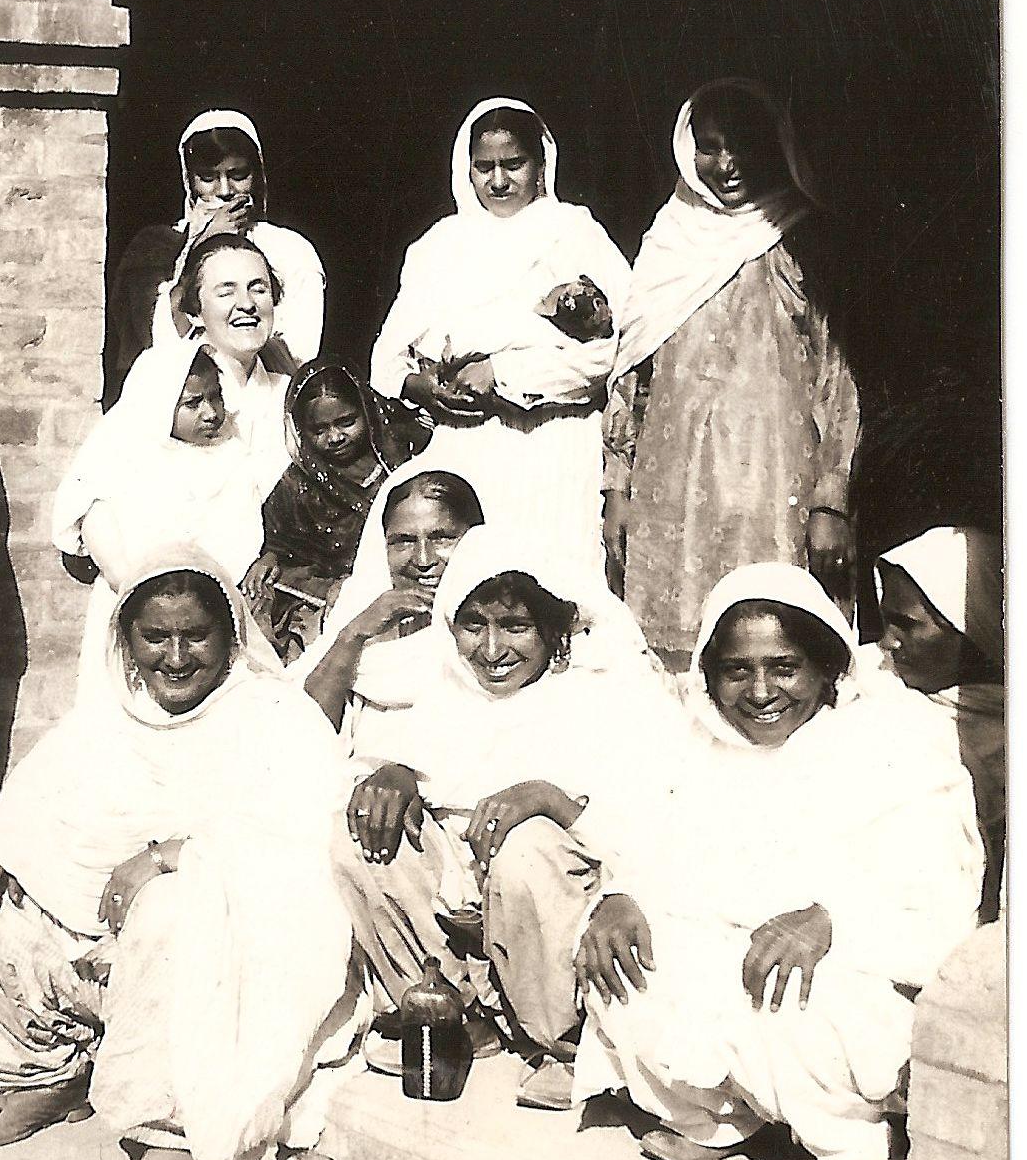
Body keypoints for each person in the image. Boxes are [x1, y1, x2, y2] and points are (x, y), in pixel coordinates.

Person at [0, 554, 363, 1160]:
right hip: (96, 939)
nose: (176, 657)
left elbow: (305, 840)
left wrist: (170, 855)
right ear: (127, 639)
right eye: (156, 637)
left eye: (195, 636)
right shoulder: (105, 721)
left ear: (230, 637)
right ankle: (41, 1072)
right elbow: (26, 808)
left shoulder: (274, 717)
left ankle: (172, 1129)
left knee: (177, 908)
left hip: (210, 941)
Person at [573, 564, 981, 1160]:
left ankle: (857, 1157)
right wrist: (618, 895)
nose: (760, 693)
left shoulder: (897, 738)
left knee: (798, 1002)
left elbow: (942, 888)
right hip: (724, 946)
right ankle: (727, 1118)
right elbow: (638, 843)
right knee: (621, 963)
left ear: (827, 666)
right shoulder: (693, 739)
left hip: (851, 964)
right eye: (737, 670)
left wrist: (831, 919)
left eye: (784, 667)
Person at [334, 531, 673, 1109]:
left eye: (515, 626)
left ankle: (568, 1042)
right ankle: (451, 1014)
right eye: (474, 625)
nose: (492, 650)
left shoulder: (604, 698)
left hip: (553, 928)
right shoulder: (442, 694)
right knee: (362, 827)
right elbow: (390, 763)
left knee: (527, 846)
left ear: (553, 629)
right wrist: (396, 773)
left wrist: (549, 801)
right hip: (463, 919)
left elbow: (649, 823)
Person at [603, 79, 860, 665]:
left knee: (776, 642)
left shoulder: (802, 236)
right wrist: (617, 488)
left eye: (743, 143)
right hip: (672, 494)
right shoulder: (669, 241)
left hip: (775, 493)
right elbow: (631, 378)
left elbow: (838, 379)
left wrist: (830, 502)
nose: (727, 163)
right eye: (711, 146)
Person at [370, 98, 631, 577]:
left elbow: (612, 354)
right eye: (484, 167)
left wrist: (503, 373)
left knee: (554, 580)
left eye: (514, 165)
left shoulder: (574, 232)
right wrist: (419, 387)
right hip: (465, 442)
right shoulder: (439, 245)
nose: (498, 181)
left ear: (541, 165)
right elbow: (386, 357)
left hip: (554, 442)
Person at [52, 339, 270, 699]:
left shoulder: (232, 451)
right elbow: (110, 554)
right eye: (193, 403)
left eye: (216, 397)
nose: (211, 412)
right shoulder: (119, 455)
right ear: (159, 404)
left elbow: (242, 529)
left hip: (214, 611)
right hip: (139, 611)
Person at [106, 108, 325, 399]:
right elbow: (156, 341)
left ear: (256, 177)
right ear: (190, 180)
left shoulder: (290, 249)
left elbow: (298, 356)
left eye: (237, 175)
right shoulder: (158, 246)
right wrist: (205, 246)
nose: (224, 191)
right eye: (208, 177)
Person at [243, 360, 432, 658]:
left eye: (346, 422)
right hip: (331, 595)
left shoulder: (407, 453)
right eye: (319, 429)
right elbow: (286, 542)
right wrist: (270, 556)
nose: (334, 437)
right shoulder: (299, 484)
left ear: (367, 411)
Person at [863, 527, 1004, 921]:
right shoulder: (867, 678)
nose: (887, 642)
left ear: (972, 626)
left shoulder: (1003, 738)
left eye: (905, 625)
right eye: (886, 621)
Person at [296, 453, 485, 746]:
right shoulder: (363, 612)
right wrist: (354, 634)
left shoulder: (500, 629)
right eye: (404, 541)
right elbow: (305, 731)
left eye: (442, 538)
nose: (423, 560)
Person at [174, 232, 297, 493]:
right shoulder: (166, 384)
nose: (247, 304)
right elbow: (93, 496)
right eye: (226, 293)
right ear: (195, 312)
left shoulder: (290, 394)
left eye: (258, 289)